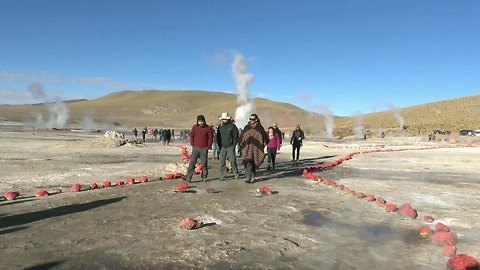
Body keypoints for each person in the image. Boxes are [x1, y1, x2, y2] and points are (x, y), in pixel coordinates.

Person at [239, 114, 269, 183]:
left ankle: (252, 177)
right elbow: (242, 136)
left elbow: (265, 138)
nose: (250, 120)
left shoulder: (260, 128)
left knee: (253, 163)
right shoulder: (247, 127)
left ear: (256, 120)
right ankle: (248, 177)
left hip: (256, 149)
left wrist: (263, 145)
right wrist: (240, 143)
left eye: (252, 119)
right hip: (247, 148)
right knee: (248, 162)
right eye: (250, 119)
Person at [183, 115, 213, 182]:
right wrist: (192, 144)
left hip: (204, 149)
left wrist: (208, 147)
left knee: (204, 163)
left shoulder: (208, 128)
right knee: (192, 163)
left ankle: (204, 177)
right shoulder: (194, 127)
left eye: (202, 121)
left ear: (204, 121)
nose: (201, 122)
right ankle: (189, 177)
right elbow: (192, 136)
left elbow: (210, 138)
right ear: (197, 121)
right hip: (196, 148)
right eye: (199, 121)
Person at [217, 112, 239, 181]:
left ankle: (236, 172)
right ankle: (223, 175)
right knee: (221, 162)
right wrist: (219, 146)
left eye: (225, 119)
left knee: (232, 160)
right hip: (223, 147)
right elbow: (218, 137)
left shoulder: (233, 126)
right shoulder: (220, 127)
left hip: (230, 146)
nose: (224, 120)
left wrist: (234, 144)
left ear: (228, 119)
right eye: (223, 119)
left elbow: (236, 136)